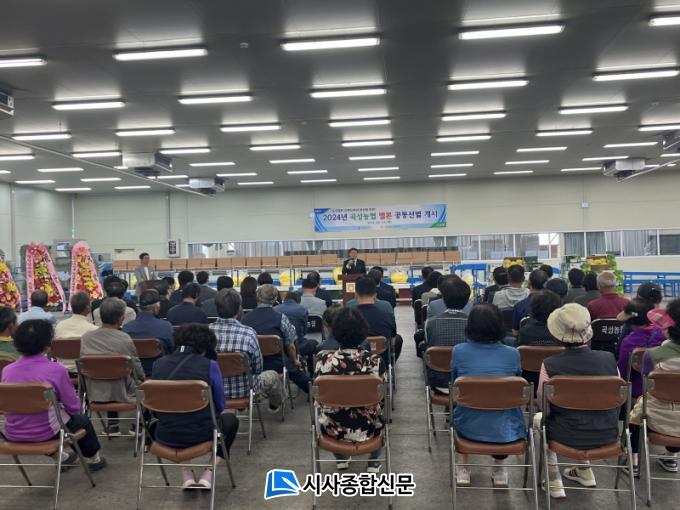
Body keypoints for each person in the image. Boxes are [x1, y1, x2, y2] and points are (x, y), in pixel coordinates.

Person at [536, 303, 619, 499]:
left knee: (540, 420)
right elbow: (617, 397)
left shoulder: (549, 365)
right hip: (607, 433)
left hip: (564, 434)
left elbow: (543, 403)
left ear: (557, 334)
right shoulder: (609, 359)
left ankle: (554, 478)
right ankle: (584, 470)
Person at [1, 320, 107, 471]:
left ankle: (61, 457)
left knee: (39, 418)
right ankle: (93, 459)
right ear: (48, 345)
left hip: (13, 432)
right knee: (81, 420)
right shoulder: (56, 369)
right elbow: (73, 407)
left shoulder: (7, 370)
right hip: (46, 433)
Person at [152, 324, 239, 490]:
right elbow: (220, 406)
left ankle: (187, 474)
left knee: (176, 417)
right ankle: (208, 473)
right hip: (202, 434)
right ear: (206, 345)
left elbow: (154, 407)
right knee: (230, 420)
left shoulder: (158, 364)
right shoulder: (210, 365)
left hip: (165, 434)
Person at [450, 304, 525, 488]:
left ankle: (462, 465)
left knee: (462, 406)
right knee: (503, 407)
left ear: (470, 326)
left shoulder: (459, 351)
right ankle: (499, 468)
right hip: (506, 429)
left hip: (467, 424)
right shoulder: (513, 353)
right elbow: (516, 387)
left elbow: (454, 389)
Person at [314, 307, 385, 472]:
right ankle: (374, 461)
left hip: (333, 431)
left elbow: (317, 397)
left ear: (334, 332)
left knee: (329, 409)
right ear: (363, 332)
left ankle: (341, 458)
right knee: (382, 411)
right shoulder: (375, 361)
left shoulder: (323, 360)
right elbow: (383, 396)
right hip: (369, 429)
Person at [210, 289, 284, 413]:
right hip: (246, 390)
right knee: (273, 375)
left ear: (217, 309)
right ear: (239, 309)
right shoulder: (248, 333)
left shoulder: (205, 333)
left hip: (213, 390)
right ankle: (274, 406)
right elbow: (258, 368)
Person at [627, 301, 680, 475]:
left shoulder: (652, 355)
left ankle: (633, 461)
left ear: (669, 329)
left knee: (636, 413)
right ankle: (671, 457)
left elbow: (647, 386)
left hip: (656, 418)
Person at [81, 298, 145, 435]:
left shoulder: (86, 338)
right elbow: (136, 368)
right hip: (122, 392)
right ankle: (139, 426)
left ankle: (113, 425)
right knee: (146, 387)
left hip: (94, 392)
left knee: (108, 374)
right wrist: (144, 379)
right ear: (121, 318)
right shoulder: (124, 338)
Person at [241, 284, 310, 394]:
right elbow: (291, 345)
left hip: (252, 364)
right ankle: (316, 394)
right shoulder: (281, 318)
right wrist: (294, 360)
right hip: (277, 363)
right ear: (275, 299)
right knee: (297, 373)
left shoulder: (245, 319)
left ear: (257, 298)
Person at [421, 277, 470, 390]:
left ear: (443, 299)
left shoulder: (430, 323)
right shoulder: (474, 323)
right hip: (467, 382)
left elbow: (429, 345)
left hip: (439, 383)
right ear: (467, 300)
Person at [122, 289, 174, 376]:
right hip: (160, 373)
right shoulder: (166, 326)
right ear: (156, 307)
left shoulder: (127, 327)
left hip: (134, 374)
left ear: (140, 307)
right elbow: (172, 350)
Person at [353, 277, 403, 364]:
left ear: (356, 294)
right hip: (381, 355)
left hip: (355, 357)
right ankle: (388, 365)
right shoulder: (386, 314)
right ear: (375, 295)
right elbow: (393, 339)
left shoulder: (348, 316)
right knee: (398, 339)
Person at [511, 269, 549, 335]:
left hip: (525, 340)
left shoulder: (519, 306)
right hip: (549, 340)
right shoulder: (553, 304)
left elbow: (515, 333)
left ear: (529, 283)